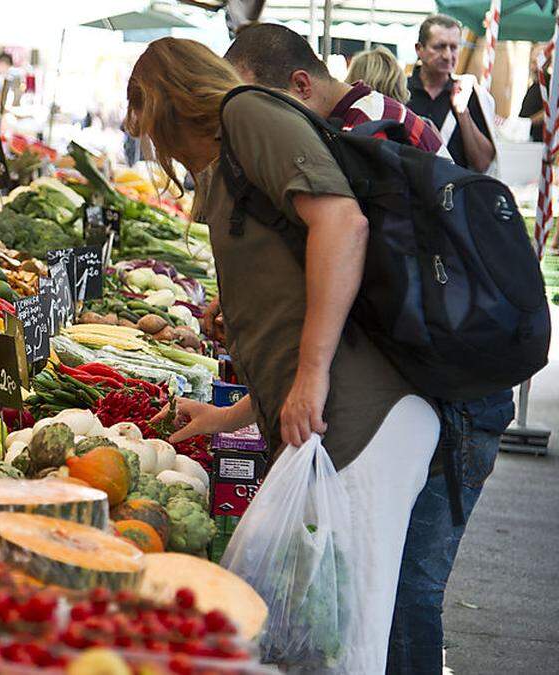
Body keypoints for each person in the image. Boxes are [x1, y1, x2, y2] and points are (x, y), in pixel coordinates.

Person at [127, 38, 439, 671]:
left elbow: (343, 225)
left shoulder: (246, 113)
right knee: (303, 643)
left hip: (363, 426)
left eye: (145, 122)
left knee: (346, 646)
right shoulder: (225, 160)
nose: (152, 145)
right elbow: (290, 312)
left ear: (164, 102)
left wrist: (312, 377)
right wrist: (233, 413)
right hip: (331, 427)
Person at [225, 24, 512, 675]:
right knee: (391, 591)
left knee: (410, 592)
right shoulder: (367, 122)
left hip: (466, 390)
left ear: (297, 86)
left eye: (256, 110)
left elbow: (360, 258)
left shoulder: (360, 134)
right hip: (451, 376)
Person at [224, 23, 443, 154]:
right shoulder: (356, 115)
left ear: (301, 85)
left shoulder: (365, 127)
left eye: (260, 103)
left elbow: (362, 225)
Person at [407, 14, 496, 172]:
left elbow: (483, 164)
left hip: (453, 193)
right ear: (419, 49)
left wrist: (463, 114)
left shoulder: (470, 93)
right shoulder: (400, 90)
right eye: (439, 47)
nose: (448, 55)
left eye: (454, 47)